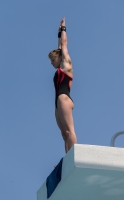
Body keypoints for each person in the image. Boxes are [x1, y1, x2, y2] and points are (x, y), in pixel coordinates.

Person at [48, 18, 77, 153]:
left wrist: (64, 28)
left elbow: (63, 45)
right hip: (58, 102)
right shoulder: (60, 64)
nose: (51, 63)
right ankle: (67, 159)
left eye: (53, 59)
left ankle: (73, 155)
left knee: (69, 130)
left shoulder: (66, 64)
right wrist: (58, 32)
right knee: (64, 134)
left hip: (64, 98)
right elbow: (60, 46)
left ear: (59, 58)